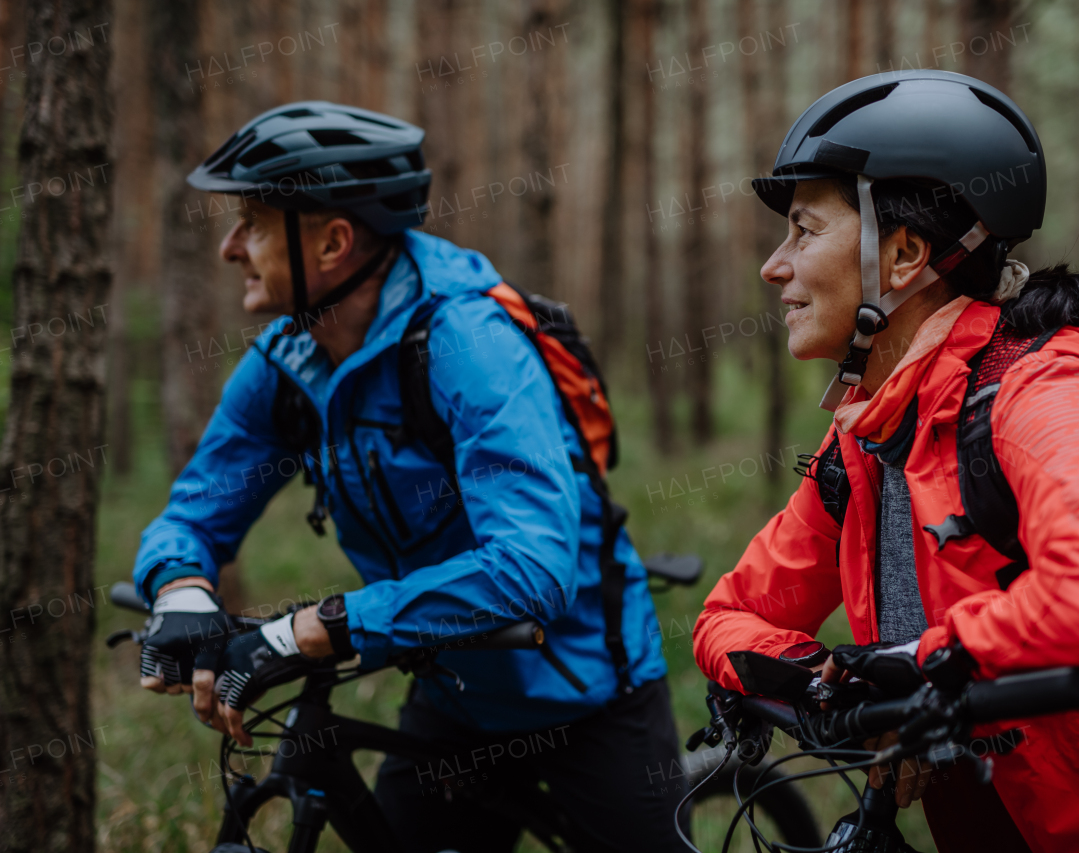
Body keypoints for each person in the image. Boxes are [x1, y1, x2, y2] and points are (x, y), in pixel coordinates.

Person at [691, 70, 1079, 852]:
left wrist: (917, 660)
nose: (775, 265)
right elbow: (731, 616)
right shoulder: (867, 440)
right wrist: (829, 684)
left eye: (804, 231)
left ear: (903, 255)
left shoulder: (1048, 391)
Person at [132, 101, 686, 852]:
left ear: (332, 241)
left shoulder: (467, 343)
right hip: (454, 693)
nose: (231, 246)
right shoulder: (286, 362)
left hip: (587, 690)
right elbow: (198, 509)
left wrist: (313, 629)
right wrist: (181, 588)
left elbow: (531, 570)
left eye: (255, 221)